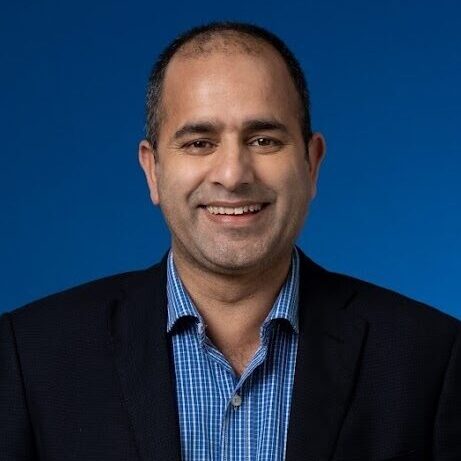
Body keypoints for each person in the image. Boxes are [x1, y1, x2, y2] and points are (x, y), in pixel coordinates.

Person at [1, 21, 459, 461]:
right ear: (152, 170)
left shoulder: (430, 358)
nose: (233, 174)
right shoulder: (31, 356)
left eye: (263, 140)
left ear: (312, 163)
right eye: (199, 143)